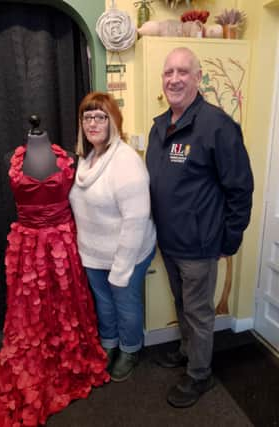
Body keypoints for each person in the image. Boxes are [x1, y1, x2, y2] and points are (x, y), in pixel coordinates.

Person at [0, 128, 109, 426]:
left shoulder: (66, 157)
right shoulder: (9, 159)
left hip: (63, 243)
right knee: (33, 309)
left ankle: (67, 350)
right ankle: (42, 353)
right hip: (29, 247)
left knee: (66, 304)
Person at [146, 47, 254, 408]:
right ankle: (188, 350)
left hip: (200, 243)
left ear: (197, 77)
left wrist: (231, 238)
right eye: (168, 72)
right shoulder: (161, 125)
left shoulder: (217, 125)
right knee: (183, 304)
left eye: (182, 72)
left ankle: (199, 375)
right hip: (170, 241)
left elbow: (239, 187)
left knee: (198, 311)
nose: (174, 79)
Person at [69, 92, 156, 382]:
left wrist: (121, 268)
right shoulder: (88, 157)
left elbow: (135, 221)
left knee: (125, 302)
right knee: (103, 303)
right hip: (94, 252)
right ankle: (110, 344)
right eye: (87, 116)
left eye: (100, 116)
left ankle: (130, 348)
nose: (92, 123)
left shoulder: (126, 162)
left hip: (127, 251)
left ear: (113, 121)